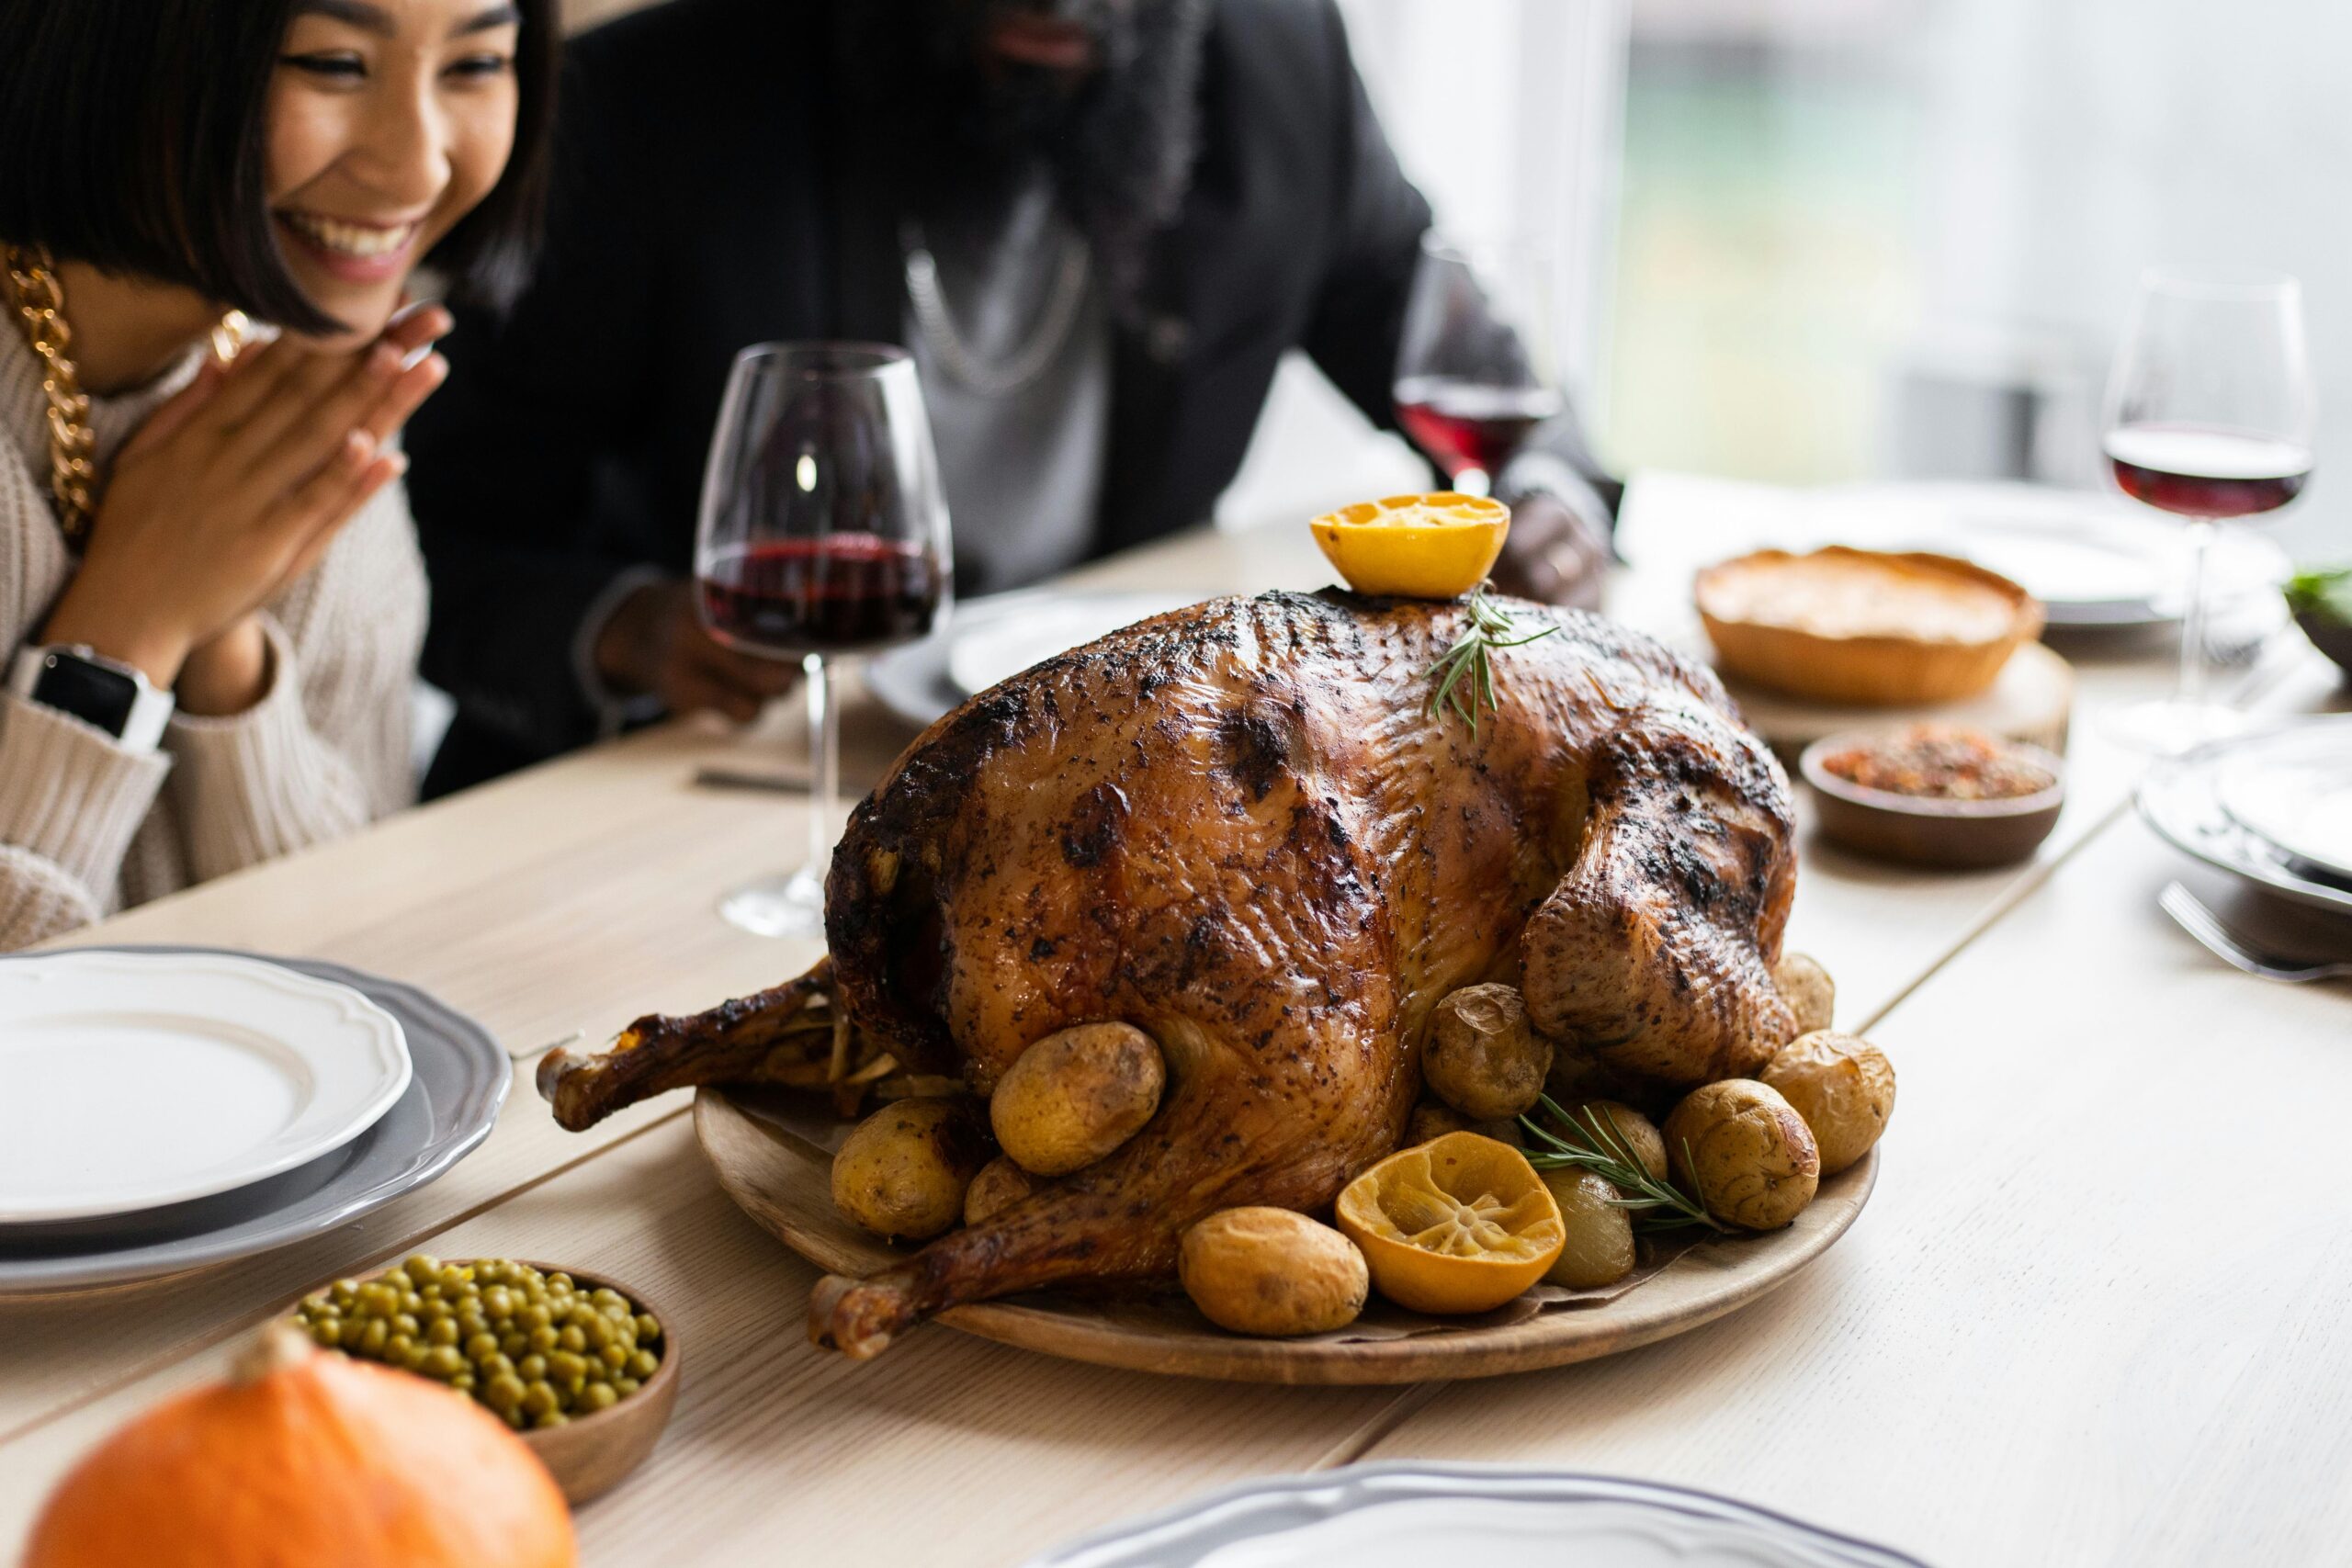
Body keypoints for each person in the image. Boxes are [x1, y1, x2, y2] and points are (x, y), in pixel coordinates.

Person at [408, 0, 1622, 795]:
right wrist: (625, 627)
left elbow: (1458, 334)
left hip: (1108, 777)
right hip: (727, 778)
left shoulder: (1277, 63)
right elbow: (432, 526)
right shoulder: (659, 101)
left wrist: (1542, 490)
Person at [0, 0, 557, 948]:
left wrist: (226, 640)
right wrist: (130, 624)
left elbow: (358, 944)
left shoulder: (286, 387)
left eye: (473, 66)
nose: (419, 165)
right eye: (334, 64)